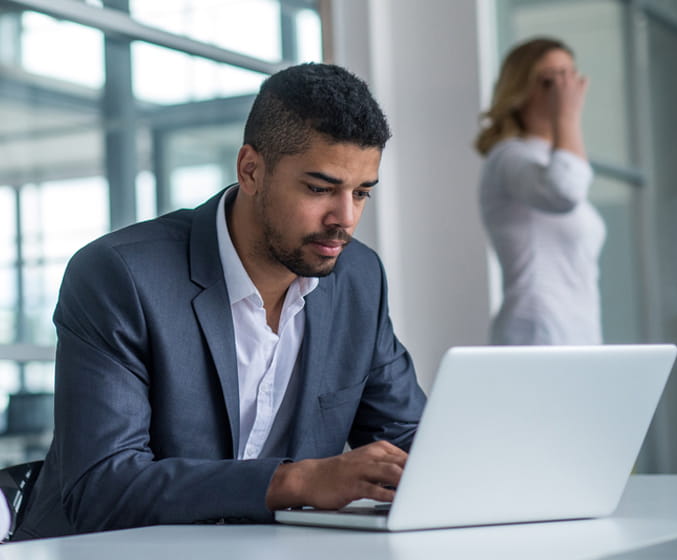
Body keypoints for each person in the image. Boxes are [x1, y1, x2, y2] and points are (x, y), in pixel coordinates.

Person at [12, 63, 426, 541]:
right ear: (251, 170)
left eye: (361, 193)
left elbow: (412, 442)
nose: (345, 218)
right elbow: (103, 489)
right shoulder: (119, 276)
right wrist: (297, 480)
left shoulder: (358, 278)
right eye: (319, 189)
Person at [475, 37, 606, 346]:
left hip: (579, 335)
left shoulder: (551, 158)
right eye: (552, 80)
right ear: (520, 92)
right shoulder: (509, 157)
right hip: (537, 332)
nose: (565, 90)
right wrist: (568, 117)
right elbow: (565, 190)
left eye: (570, 76)